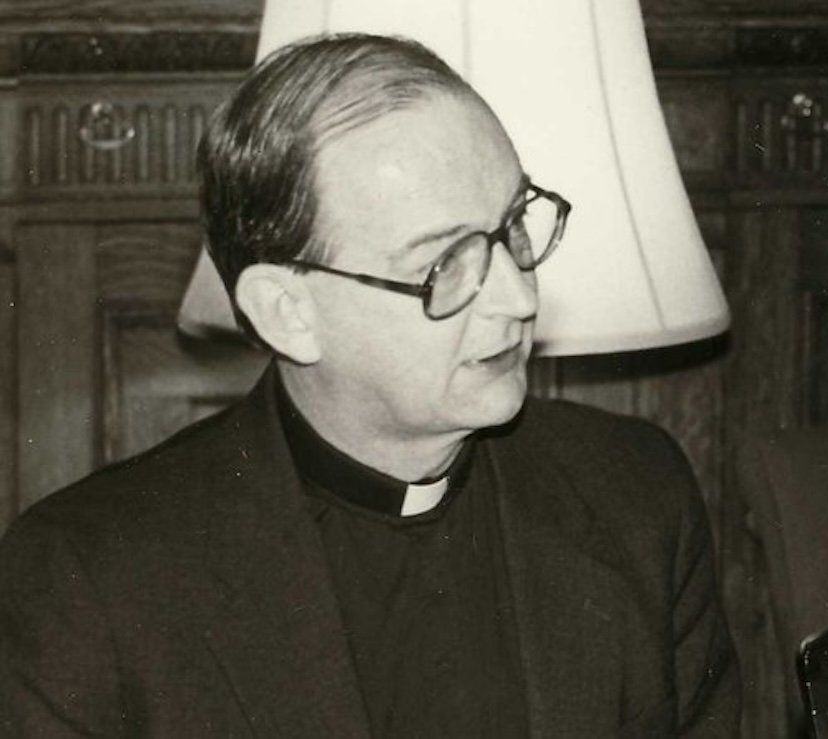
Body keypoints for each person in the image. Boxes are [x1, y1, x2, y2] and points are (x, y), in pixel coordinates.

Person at [0, 33, 738, 737]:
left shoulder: (636, 494)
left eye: (513, 225)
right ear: (288, 313)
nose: (517, 297)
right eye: (444, 264)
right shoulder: (90, 581)